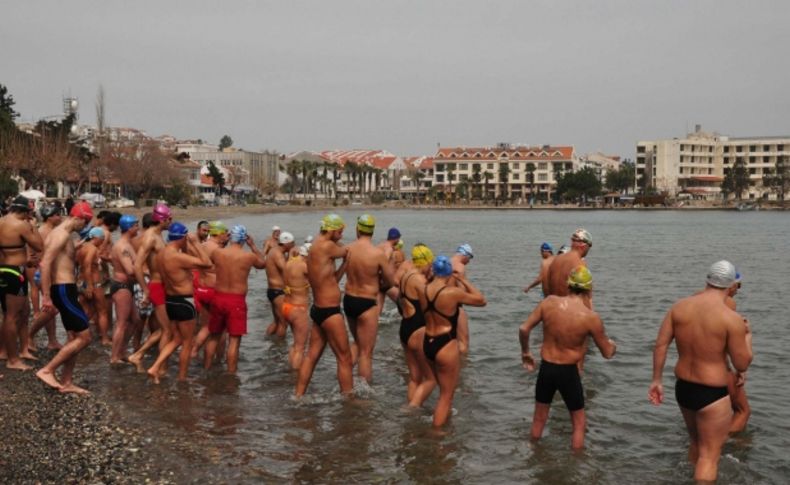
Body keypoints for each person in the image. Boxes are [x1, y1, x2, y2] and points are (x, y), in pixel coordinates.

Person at [648, 261, 752, 483]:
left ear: (708, 280)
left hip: (683, 388)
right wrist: (747, 337)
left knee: (695, 443)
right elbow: (742, 364)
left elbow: (660, 345)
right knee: (709, 456)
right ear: (731, 285)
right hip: (712, 392)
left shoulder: (679, 307)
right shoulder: (730, 318)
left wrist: (656, 380)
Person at [519, 266, 616, 449]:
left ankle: (533, 454)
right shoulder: (590, 317)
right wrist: (613, 345)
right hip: (568, 372)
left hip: (546, 368)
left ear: (568, 285)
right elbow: (607, 353)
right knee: (578, 424)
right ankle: (577, 465)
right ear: (589, 289)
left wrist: (526, 353)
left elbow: (524, 329)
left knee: (539, 419)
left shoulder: (549, 302)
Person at [35, 202, 95, 393]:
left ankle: (67, 382)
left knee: (73, 336)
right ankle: (47, 370)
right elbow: (45, 264)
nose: (85, 225)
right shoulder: (60, 235)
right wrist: (46, 297)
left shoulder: (66, 235)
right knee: (85, 337)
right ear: (76, 217)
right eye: (85, 221)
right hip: (62, 289)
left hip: (66, 288)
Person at [420, 255, 486, 427]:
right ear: (449, 274)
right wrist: (463, 280)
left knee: (441, 389)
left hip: (428, 342)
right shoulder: (452, 293)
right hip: (446, 343)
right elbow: (481, 300)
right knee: (446, 394)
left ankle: (443, 423)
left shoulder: (423, 290)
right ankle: (437, 437)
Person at [295, 214, 352, 398]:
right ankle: (348, 401)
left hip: (319, 310)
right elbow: (348, 250)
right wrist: (347, 253)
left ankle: (298, 396)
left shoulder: (316, 248)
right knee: (345, 358)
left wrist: (344, 264)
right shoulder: (327, 246)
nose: (342, 235)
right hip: (330, 311)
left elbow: (332, 279)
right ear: (331, 230)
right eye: (340, 232)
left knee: (312, 356)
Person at [146, 222, 211, 383]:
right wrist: (195, 244)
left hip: (170, 300)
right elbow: (207, 263)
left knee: (176, 339)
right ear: (182, 238)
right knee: (187, 342)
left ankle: (156, 367)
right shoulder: (178, 257)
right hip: (184, 301)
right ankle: (182, 378)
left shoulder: (161, 254)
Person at [205, 225, 265, 373]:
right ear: (244, 238)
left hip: (218, 297)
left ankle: (206, 369)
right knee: (234, 341)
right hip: (236, 301)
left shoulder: (218, 253)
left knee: (213, 336)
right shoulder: (248, 256)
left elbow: (208, 263)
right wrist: (252, 245)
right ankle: (231, 375)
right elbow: (263, 264)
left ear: (231, 237)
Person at [344, 214, 395, 383]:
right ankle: (364, 397)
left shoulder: (347, 249)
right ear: (372, 231)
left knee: (357, 343)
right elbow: (391, 281)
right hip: (367, 303)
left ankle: (345, 381)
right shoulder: (377, 254)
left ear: (357, 229)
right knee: (366, 353)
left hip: (349, 300)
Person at [0, 195, 43, 370]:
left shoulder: (1, 221)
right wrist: (33, 227)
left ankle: (4, 351)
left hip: (3, 269)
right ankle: (13, 360)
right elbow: (40, 246)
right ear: (25, 211)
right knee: (12, 316)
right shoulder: (22, 225)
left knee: (18, 312)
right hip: (14, 273)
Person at [128, 203, 172, 373]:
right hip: (156, 285)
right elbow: (138, 266)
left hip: (161, 285)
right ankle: (160, 368)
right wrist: (145, 289)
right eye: (169, 219)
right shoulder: (150, 237)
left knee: (166, 329)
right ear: (162, 220)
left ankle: (140, 356)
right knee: (167, 330)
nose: (171, 222)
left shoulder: (158, 235)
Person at [397, 243, 436, 407]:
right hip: (418, 330)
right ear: (425, 262)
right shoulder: (419, 280)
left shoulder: (406, 276)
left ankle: (413, 410)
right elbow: (432, 302)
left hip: (405, 327)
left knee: (415, 378)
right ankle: (411, 410)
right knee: (431, 379)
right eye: (430, 264)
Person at [191, 220, 228, 361]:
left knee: (206, 326)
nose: (227, 235)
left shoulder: (202, 246)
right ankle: (219, 358)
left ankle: (193, 352)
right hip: (213, 290)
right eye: (225, 232)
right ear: (219, 233)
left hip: (201, 289)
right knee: (222, 328)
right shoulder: (217, 250)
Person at [27, 205, 62, 351]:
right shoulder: (44, 231)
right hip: (44, 272)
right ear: (50, 217)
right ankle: (29, 335)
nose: (60, 217)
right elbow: (34, 252)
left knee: (51, 308)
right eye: (58, 215)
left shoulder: (49, 230)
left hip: (48, 272)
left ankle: (52, 340)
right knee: (51, 307)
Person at [108, 214, 142, 364]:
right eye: (136, 225)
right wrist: (147, 273)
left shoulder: (127, 244)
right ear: (129, 228)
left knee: (135, 320)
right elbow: (130, 270)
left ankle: (122, 350)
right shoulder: (122, 246)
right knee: (122, 323)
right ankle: (114, 357)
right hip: (121, 286)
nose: (138, 228)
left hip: (127, 286)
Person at [725, 271, 751, 434]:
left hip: (688, 378)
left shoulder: (692, 301)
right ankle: (725, 445)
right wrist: (747, 333)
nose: (738, 290)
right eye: (738, 285)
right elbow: (740, 355)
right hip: (719, 371)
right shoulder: (728, 303)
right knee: (743, 411)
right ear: (729, 284)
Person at [282, 244, 311, 369]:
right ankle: (295, 377)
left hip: (286, 307)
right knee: (300, 347)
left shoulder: (288, 264)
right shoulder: (305, 266)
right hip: (299, 308)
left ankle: (291, 369)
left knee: (295, 344)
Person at [546, 229, 592, 302]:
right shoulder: (580, 265)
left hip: (552, 308)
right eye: (590, 246)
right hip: (569, 310)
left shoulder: (556, 259)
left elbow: (547, 288)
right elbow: (587, 298)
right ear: (584, 245)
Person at [264, 231, 294, 337]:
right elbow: (286, 269)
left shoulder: (274, 251)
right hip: (278, 292)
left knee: (277, 322)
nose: (294, 245)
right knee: (283, 323)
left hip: (273, 290)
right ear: (286, 244)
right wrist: (291, 256)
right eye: (292, 243)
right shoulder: (277, 254)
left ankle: (267, 341)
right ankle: (279, 351)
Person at [76, 227, 105, 333]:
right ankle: (105, 338)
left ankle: (77, 333)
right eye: (102, 238)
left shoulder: (81, 247)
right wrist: (89, 285)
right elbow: (87, 266)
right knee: (102, 311)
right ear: (96, 238)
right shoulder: (92, 249)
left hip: (80, 282)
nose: (103, 241)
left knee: (86, 310)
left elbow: (77, 265)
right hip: (93, 282)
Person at [450, 243, 475, 353]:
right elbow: (462, 292)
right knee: (463, 341)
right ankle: (462, 365)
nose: (469, 262)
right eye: (470, 258)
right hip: (455, 306)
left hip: (441, 305)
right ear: (466, 255)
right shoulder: (460, 266)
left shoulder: (447, 262)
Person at [376, 227, 402, 309]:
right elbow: (383, 263)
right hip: (385, 282)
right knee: (403, 303)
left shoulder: (380, 245)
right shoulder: (389, 249)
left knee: (378, 307)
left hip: (379, 281)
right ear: (396, 238)